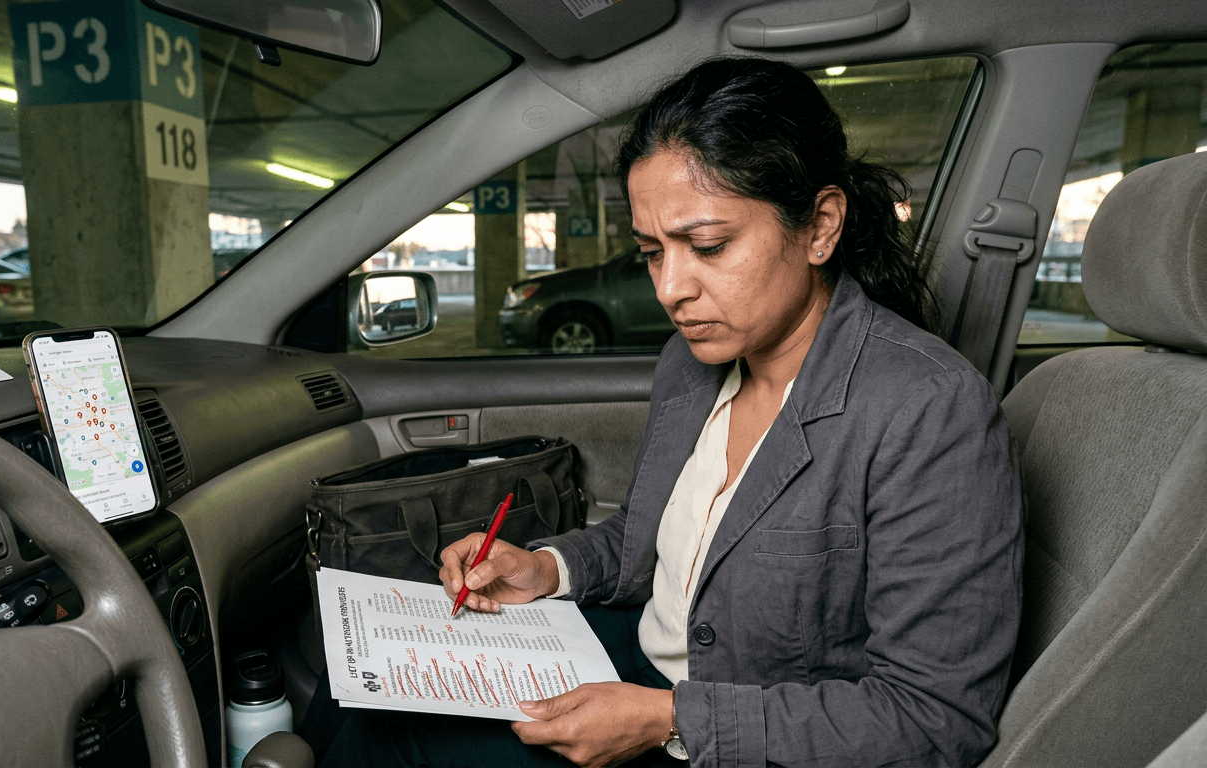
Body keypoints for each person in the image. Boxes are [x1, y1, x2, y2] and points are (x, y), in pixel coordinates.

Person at [303, 57, 1023, 768]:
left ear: (821, 226)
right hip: (641, 664)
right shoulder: (695, 362)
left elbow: (933, 719)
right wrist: (545, 570)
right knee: (357, 692)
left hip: (731, 730)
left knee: (386, 739)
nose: (671, 289)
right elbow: (654, 541)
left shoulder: (929, 411)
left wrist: (668, 722)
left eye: (707, 246)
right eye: (652, 253)